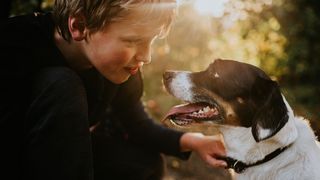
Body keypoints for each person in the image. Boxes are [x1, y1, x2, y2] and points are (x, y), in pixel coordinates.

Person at [0, 0, 227, 179]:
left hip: (58, 163)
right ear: (79, 25)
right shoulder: (15, 45)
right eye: (133, 41)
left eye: (151, 41)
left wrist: (195, 141)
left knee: (142, 164)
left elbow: (137, 124)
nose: (146, 56)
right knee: (62, 82)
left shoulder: (116, 70)